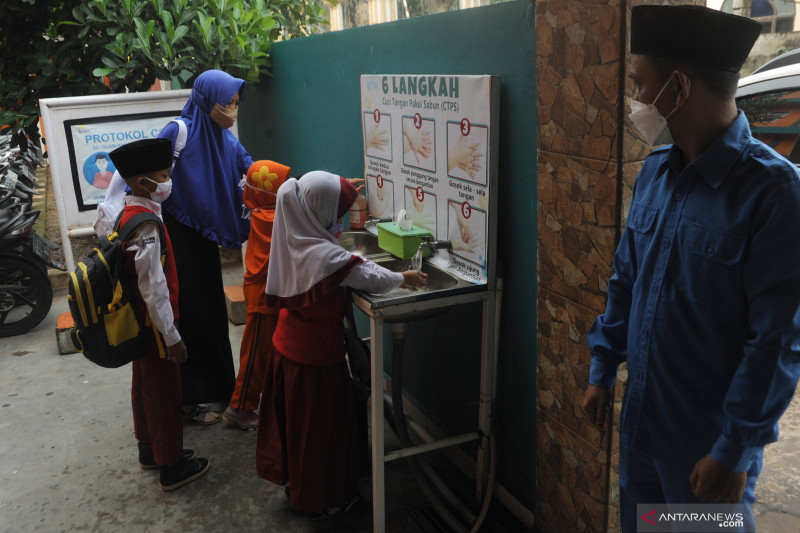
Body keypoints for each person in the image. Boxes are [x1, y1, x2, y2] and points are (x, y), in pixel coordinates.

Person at [581, 6, 800, 532]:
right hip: (644, 431)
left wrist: (734, 451)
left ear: (677, 88)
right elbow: (627, 280)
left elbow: (777, 342)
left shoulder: (773, 195)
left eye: (639, 84)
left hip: (706, 454)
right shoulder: (656, 173)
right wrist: (602, 366)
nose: (634, 101)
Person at [255, 171, 428, 519]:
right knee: (319, 432)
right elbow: (367, 275)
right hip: (315, 358)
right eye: (336, 214)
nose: (339, 222)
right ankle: (320, 500)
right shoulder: (324, 256)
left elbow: (310, 195)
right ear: (319, 215)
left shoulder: (294, 225)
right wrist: (404, 278)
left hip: (287, 349)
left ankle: (298, 485)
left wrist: (338, 190)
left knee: (298, 429)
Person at [108, 138, 210, 492]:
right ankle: (171, 466)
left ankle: (149, 449)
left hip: (139, 321)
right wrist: (172, 336)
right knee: (165, 393)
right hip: (155, 324)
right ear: (141, 183)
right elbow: (154, 287)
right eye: (164, 175)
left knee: (145, 386)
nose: (169, 181)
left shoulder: (127, 211)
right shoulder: (147, 225)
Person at [157, 69, 254, 425]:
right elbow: (143, 178)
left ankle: (215, 393)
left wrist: (302, 190)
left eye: (236, 103)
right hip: (174, 238)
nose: (232, 110)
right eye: (226, 103)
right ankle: (185, 402)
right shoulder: (177, 131)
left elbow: (255, 170)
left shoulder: (225, 139)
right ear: (205, 99)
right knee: (185, 316)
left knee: (210, 314)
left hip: (203, 241)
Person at [222, 160, 291, 431]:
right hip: (262, 294)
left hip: (265, 289)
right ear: (269, 192)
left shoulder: (262, 209)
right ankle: (239, 407)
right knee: (255, 354)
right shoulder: (271, 217)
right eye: (282, 185)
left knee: (267, 350)